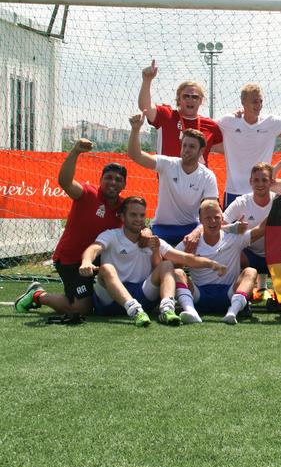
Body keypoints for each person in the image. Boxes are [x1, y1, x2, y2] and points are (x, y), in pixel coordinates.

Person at [14, 139, 127, 316]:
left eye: (118, 179)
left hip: (98, 260)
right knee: (80, 309)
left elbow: (138, 224)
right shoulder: (88, 194)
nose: (113, 182)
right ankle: (37, 295)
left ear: (124, 185)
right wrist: (75, 152)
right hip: (71, 261)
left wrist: (146, 232)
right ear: (101, 180)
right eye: (109, 178)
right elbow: (65, 182)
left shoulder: (124, 207)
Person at [78, 196, 226, 327]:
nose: (138, 219)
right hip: (110, 301)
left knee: (167, 265)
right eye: (133, 215)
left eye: (142, 215)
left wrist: (212, 264)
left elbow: (184, 258)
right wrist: (86, 261)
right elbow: (94, 248)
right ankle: (134, 310)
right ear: (122, 217)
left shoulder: (152, 240)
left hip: (142, 296)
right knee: (107, 268)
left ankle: (167, 309)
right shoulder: (111, 235)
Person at [127, 112, 219, 247]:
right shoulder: (168, 164)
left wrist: (198, 231)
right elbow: (136, 155)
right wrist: (135, 130)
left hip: (191, 228)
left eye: (192, 147)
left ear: (201, 151)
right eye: (184, 145)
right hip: (162, 228)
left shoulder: (207, 176)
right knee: (149, 253)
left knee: (212, 245)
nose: (186, 150)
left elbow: (211, 207)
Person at [174, 199, 269, 325]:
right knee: (177, 272)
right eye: (208, 218)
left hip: (229, 294)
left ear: (222, 218)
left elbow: (261, 229)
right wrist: (185, 256)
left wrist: (277, 206)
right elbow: (172, 264)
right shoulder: (191, 241)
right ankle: (191, 311)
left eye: (216, 217)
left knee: (250, 272)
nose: (213, 221)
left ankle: (232, 313)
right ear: (200, 221)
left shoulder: (234, 238)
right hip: (199, 295)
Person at [216, 83, 281, 208]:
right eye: (254, 101)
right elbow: (206, 128)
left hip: (261, 191)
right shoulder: (228, 121)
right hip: (234, 191)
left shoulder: (270, 122)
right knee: (230, 227)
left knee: (262, 227)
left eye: (260, 101)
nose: (259, 105)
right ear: (243, 102)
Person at [138, 59, 222, 163]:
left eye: (195, 97)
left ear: (201, 101)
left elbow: (230, 149)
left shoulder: (211, 126)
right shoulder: (166, 115)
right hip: (170, 178)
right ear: (178, 99)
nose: (190, 100)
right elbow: (144, 107)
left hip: (199, 178)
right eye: (186, 96)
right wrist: (147, 80)